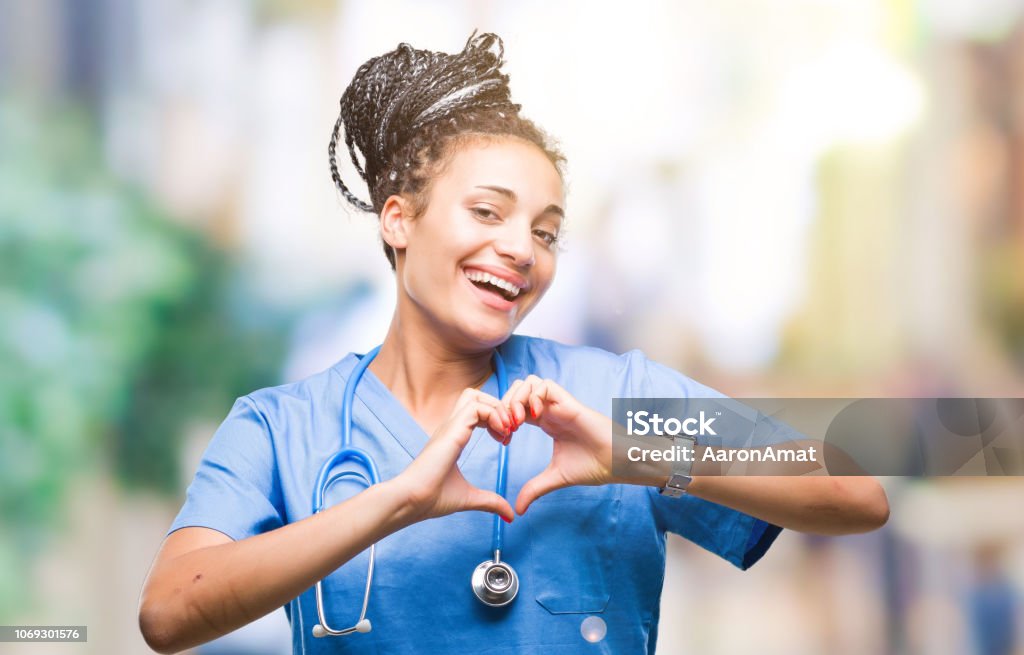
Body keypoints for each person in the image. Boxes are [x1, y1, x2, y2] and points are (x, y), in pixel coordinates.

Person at [138, 30, 889, 655]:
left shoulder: (609, 396)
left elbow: (855, 491)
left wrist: (633, 449)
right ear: (398, 220)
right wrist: (395, 501)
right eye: (487, 211)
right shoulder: (279, 426)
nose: (522, 250)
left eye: (546, 232)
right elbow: (169, 613)